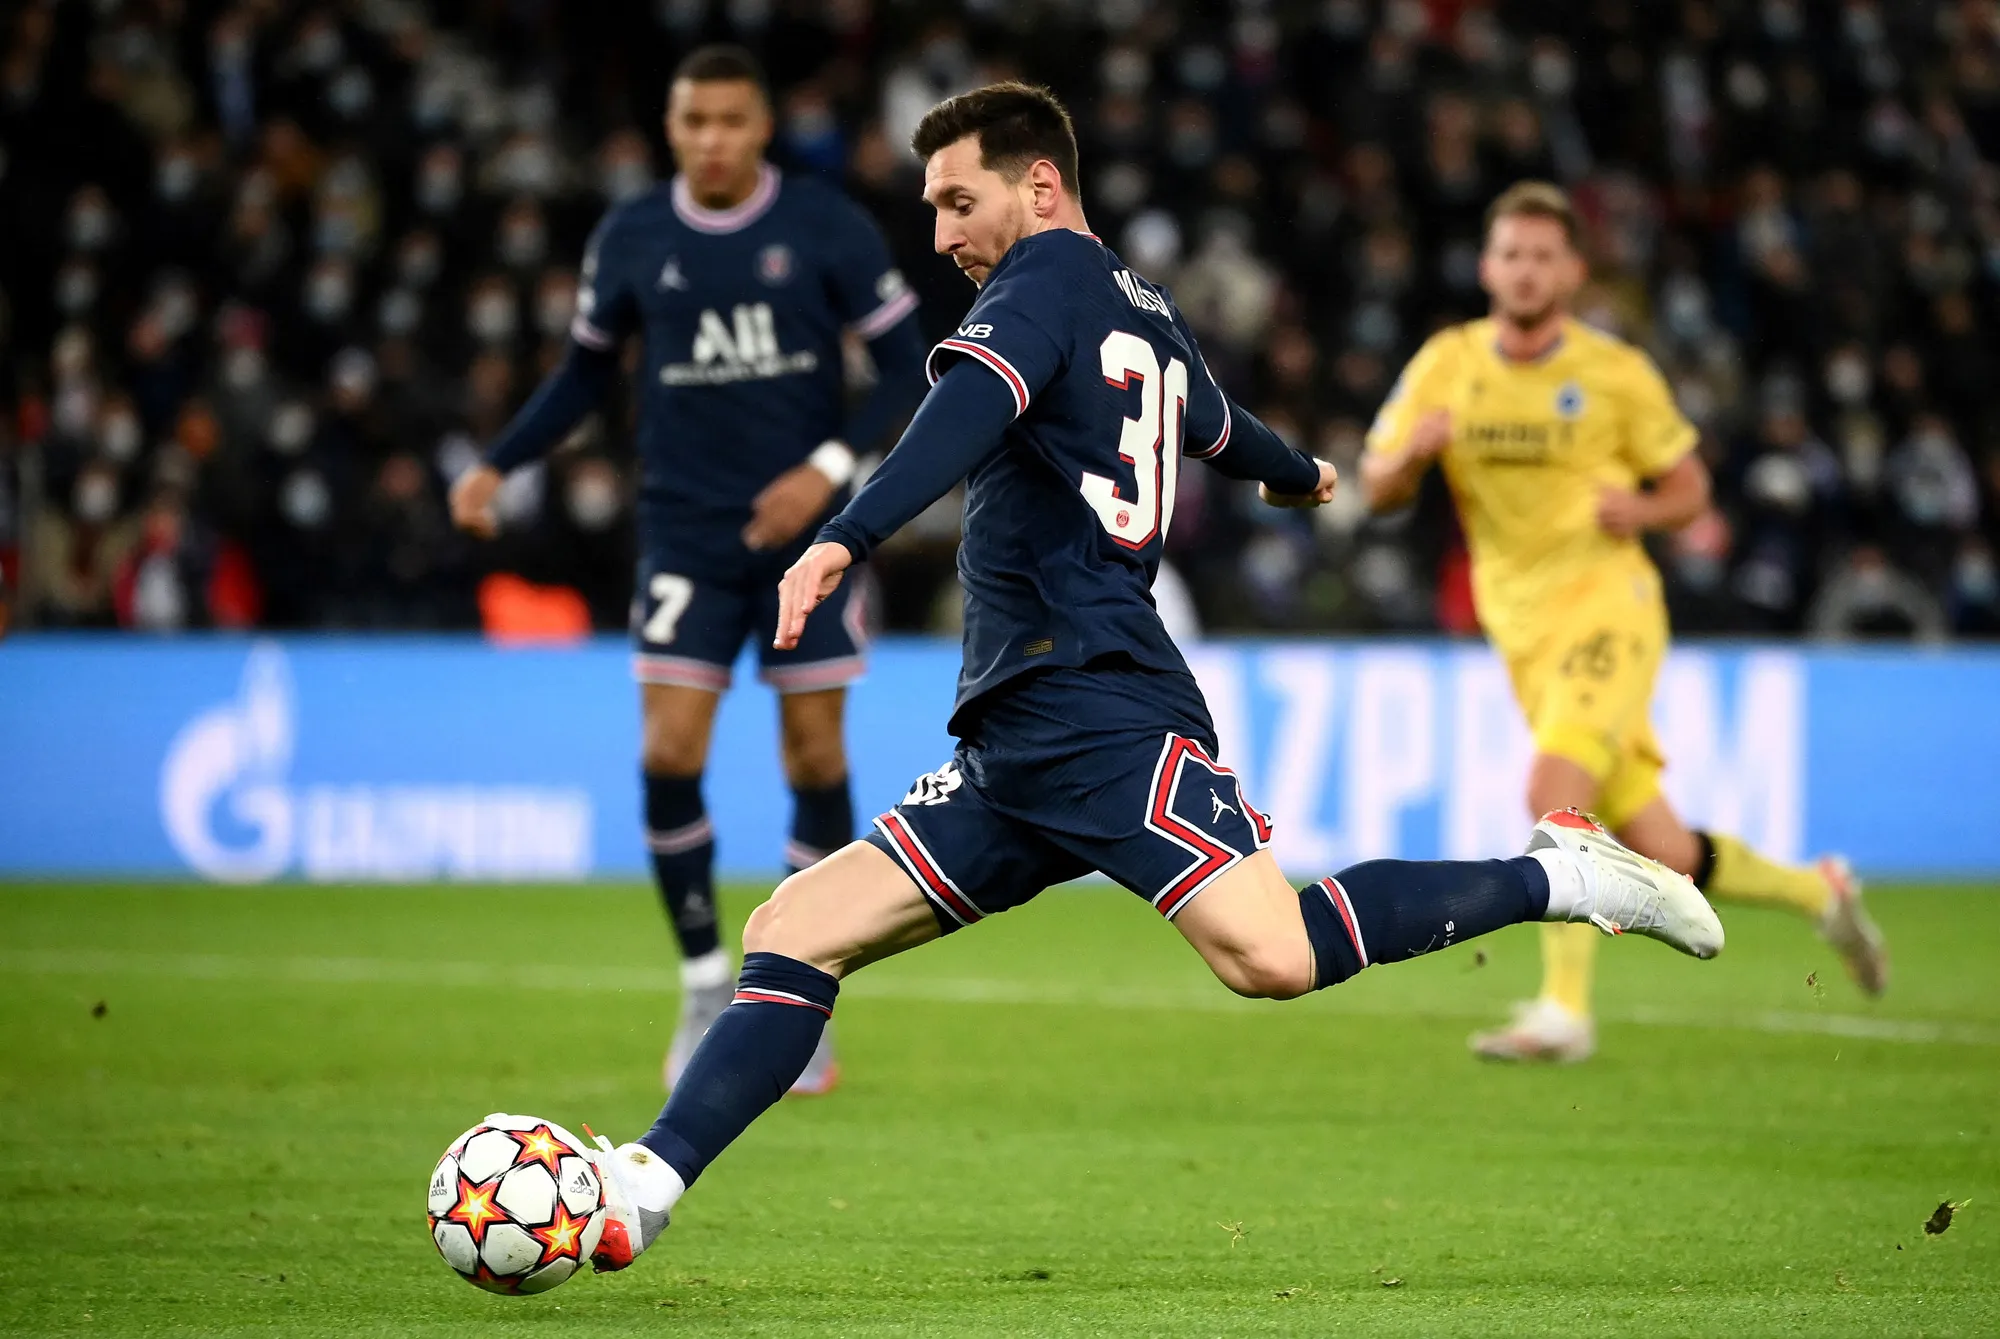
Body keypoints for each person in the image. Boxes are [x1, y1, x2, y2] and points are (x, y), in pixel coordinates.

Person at [562, 84, 1724, 1272]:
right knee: (797, 925)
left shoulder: (1038, 288)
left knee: (1269, 955)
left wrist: (842, 535)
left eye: (959, 201)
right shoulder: (1140, 306)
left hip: (1102, 705)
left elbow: (961, 412)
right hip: (1016, 736)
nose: (942, 235)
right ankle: (638, 1188)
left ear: (1040, 185)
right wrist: (1302, 472)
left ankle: (1557, 874)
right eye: (930, 209)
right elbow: (1222, 429)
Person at [449, 46, 927, 1095]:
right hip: (683, 534)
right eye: (691, 121)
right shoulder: (632, 236)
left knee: (811, 755)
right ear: (671, 131)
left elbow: (906, 362)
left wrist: (828, 466)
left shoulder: (824, 227)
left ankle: (797, 988)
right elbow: (581, 374)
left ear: (760, 128)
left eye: (727, 120)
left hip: (810, 535)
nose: (709, 138)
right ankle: (708, 979)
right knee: (669, 747)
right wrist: (498, 461)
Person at [1360, 182, 1889, 1065]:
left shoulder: (1615, 373)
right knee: (1662, 843)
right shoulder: (1446, 362)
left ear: (1571, 271)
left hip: (1612, 609)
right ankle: (1820, 892)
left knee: (1551, 793)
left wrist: (1639, 510)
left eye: (1543, 256)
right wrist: (1413, 456)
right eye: (1511, 254)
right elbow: (1374, 486)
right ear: (1489, 267)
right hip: (1523, 633)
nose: (1526, 271)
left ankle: (1564, 1009)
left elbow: (1691, 488)